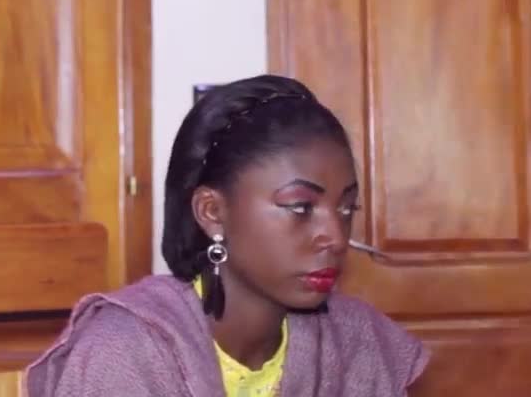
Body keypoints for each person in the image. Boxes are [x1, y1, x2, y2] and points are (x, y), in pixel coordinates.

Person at [24, 75, 429, 396]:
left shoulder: (357, 343)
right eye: (300, 207)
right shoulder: (125, 351)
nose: (335, 238)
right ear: (213, 212)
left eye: (346, 208)